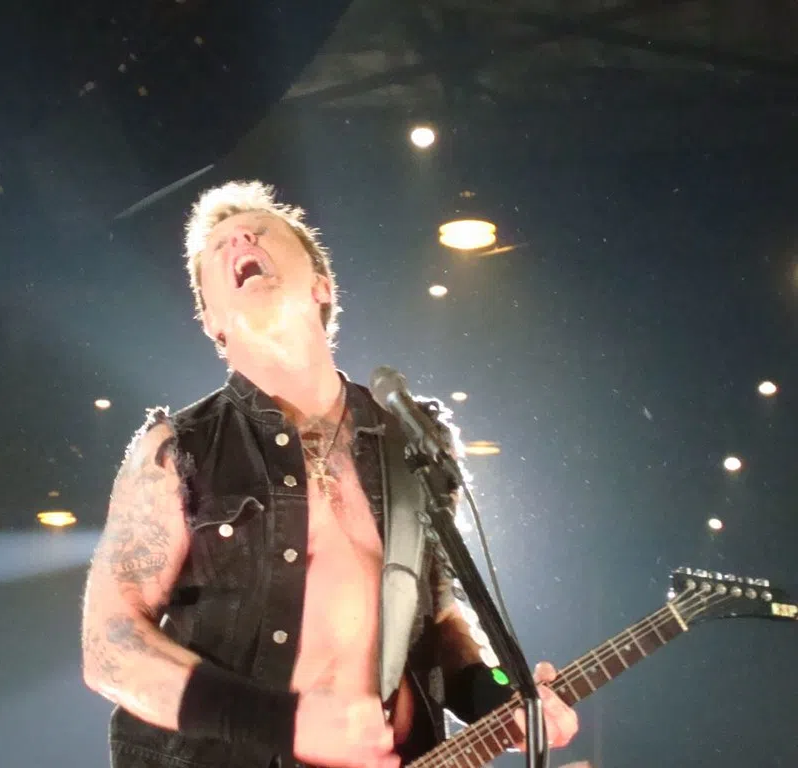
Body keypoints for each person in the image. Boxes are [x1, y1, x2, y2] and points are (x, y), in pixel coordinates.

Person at [81, 180, 579, 768]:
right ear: (211, 320)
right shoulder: (179, 449)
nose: (241, 240)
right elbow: (109, 644)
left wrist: (499, 696)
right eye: (219, 247)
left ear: (322, 284)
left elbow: (438, 622)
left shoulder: (408, 439)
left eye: (261, 232)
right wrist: (285, 725)